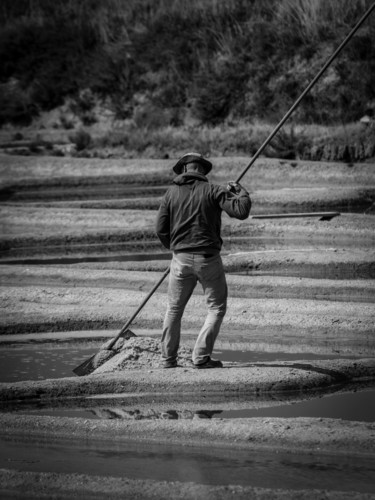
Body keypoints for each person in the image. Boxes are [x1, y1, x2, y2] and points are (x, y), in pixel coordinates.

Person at [156, 152, 251, 369]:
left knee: (173, 309)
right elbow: (242, 210)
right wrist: (240, 192)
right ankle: (200, 357)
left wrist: (175, 248)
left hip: (180, 259)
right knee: (216, 309)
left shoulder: (171, 194)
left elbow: (160, 228)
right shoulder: (215, 190)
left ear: (184, 169)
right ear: (202, 170)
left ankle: (167, 360)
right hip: (208, 260)